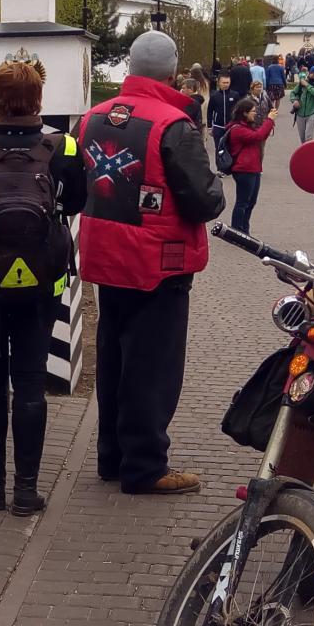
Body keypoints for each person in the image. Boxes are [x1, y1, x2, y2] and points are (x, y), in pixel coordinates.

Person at [77, 31, 223, 495]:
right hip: (158, 262)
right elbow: (204, 201)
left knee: (114, 359)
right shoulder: (174, 124)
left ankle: (112, 457)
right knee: (152, 367)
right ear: (173, 70)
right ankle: (144, 467)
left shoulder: (93, 117)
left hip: (106, 254)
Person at [0, 60, 87, 516]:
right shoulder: (62, 144)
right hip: (42, 281)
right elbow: (78, 199)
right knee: (30, 382)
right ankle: (26, 491)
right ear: (39, 100)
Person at [223, 93, 274, 234]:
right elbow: (257, 136)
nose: (255, 114)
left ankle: (245, 229)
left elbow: (261, 136)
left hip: (254, 168)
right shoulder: (237, 129)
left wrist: (269, 123)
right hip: (244, 169)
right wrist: (269, 120)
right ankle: (237, 229)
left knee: (251, 202)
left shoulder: (247, 126)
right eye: (253, 111)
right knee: (243, 202)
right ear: (244, 113)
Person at [293, 66, 314, 142]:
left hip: (312, 113)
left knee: (308, 137)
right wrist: (294, 100)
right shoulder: (302, 83)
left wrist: (307, 85)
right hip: (300, 114)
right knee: (302, 138)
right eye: (311, 73)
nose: (312, 75)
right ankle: (305, 150)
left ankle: (309, 149)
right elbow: (293, 93)